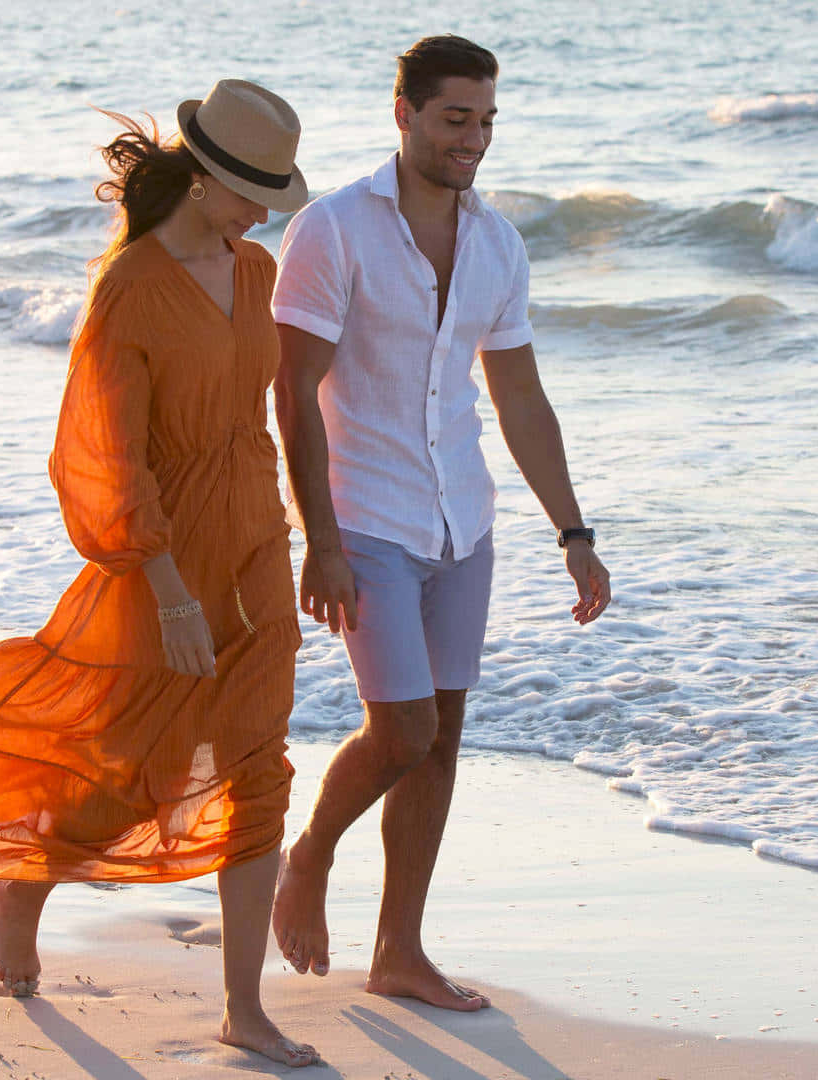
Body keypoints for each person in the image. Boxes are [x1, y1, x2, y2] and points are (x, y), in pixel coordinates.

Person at [0, 79, 319, 1067]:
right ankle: (22, 886)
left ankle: (244, 1008)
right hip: (167, 562)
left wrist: (319, 538)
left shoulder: (259, 271)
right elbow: (103, 453)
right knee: (122, 766)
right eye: (249, 192)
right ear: (201, 181)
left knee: (257, 763)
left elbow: (268, 414)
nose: (261, 213)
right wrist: (165, 584)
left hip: (258, 550)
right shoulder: (130, 288)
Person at [270, 35, 612, 1011]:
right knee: (404, 727)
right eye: (456, 118)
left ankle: (400, 951)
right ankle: (310, 853)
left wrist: (573, 532)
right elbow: (293, 391)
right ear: (405, 114)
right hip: (365, 515)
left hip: (464, 520)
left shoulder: (499, 243)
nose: (474, 139)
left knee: (444, 737)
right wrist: (320, 538)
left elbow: (518, 397)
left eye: (488, 121)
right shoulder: (333, 230)